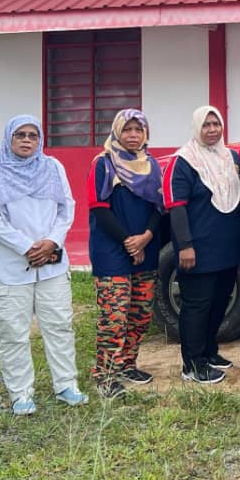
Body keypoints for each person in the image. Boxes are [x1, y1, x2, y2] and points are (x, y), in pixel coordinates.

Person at [0, 114, 87, 415]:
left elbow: (67, 207)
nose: (26, 140)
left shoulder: (52, 168)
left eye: (33, 135)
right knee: (14, 331)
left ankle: (66, 385)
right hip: (8, 264)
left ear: (40, 140)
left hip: (51, 261)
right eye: (20, 135)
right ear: (9, 138)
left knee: (59, 325)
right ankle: (21, 394)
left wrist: (52, 241)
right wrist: (25, 247)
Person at [164, 105, 240, 385]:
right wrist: (185, 245)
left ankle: (210, 352)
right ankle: (193, 364)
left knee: (218, 303)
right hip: (197, 250)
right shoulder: (184, 161)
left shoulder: (230, 158)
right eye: (206, 125)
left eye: (216, 124)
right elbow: (176, 207)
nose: (212, 130)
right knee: (196, 306)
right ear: (196, 128)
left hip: (226, 247)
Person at [87, 109, 164, 399]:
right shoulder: (103, 164)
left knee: (140, 313)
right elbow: (99, 209)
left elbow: (159, 208)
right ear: (118, 131)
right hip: (112, 250)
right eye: (128, 130)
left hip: (147, 246)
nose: (133, 135)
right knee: (114, 316)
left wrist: (145, 238)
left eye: (138, 130)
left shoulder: (152, 165)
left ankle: (128, 364)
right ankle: (105, 374)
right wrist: (128, 242)